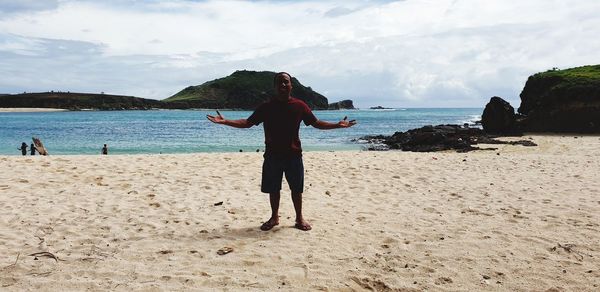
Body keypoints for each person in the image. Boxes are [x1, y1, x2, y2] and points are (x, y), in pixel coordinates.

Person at [207, 72, 356, 231]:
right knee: (273, 188)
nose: (283, 85)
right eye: (279, 83)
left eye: (286, 82)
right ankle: (274, 217)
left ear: (291, 85)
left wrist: (336, 125)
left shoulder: (300, 105)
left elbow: (316, 123)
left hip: (294, 155)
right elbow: (248, 122)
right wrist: (226, 122)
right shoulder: (267, 107)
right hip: (272, 155)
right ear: (275, 87)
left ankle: (299, 218)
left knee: (296, 189)